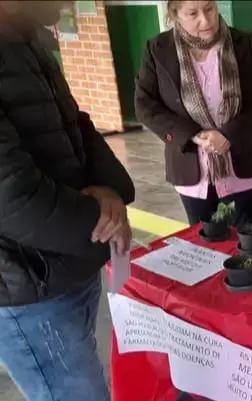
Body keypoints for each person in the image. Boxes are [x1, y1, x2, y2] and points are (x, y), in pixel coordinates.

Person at [0, 1, 135, 400]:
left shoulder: (28, 38)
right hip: (30, 286)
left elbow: (75, 124)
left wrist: (111, 190)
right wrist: (100, 218)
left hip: (67, 265)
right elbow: (12, 197)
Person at [135, 0, 252, 229]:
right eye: (193, 13)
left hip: (244, 164)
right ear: (175, 14)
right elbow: (145, 106)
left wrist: (228, 135)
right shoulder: (157, 50)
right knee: (203, 243)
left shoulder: (244, 44)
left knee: (248, 248)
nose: (205, 19)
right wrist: (192, 135)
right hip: (192, 168)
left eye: (209, 8)